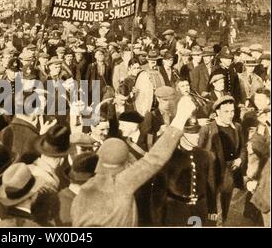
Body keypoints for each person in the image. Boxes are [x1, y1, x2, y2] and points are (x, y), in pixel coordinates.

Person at [71, 95, 197, 227]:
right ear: (124, 163)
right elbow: (154, 159)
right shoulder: (122, 184)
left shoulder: (82, 192)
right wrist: (181, 117)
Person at [151, 117, 214, 226]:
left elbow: (210, 184)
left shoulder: (205, 155)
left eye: (197, 132)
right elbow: (159, 191)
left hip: (199, 210)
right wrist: (157, 219)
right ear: (181, 135)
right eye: (192, 133)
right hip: (176, 211)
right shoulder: (169, 157)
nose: (197, 136)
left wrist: (212, 209)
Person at [198, 96, 247, 225]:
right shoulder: (207, 129)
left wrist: (240, 160)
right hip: (214, 174)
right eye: (226, 111)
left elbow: (243, 148)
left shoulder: (237, 127)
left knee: (230, 209)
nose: (230, 115)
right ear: (218, 112)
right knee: (214, 211)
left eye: (232, 111)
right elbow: (199, 154)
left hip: (232, 171)